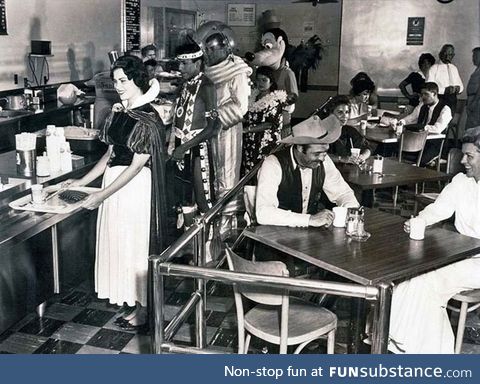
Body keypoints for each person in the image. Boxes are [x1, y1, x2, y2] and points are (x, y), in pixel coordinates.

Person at [61, 55, 168, 330]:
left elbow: (135, 166)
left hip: (134, 189)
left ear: (138, 80)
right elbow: (110, 155)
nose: (118, 86)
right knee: (120, 245)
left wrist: (102, 194)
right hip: (115, 184)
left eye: (123, 80)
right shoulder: (119, 112)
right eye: (116, 81)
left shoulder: (147, 118)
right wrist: (83, 182)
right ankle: (133, 304)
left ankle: (144, 309)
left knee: (135, 246)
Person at [389, 126, 480, 354]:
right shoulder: (462, 182)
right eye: (463, 155)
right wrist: (419, 221)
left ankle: (404, 345)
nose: (463, 162)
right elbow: (438, 210)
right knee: (408, 277)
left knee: (425, 283)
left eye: (470, 156)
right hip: (461, 256)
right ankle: (416, 350)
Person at [197, 23, 252, 241]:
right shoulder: (209, 72)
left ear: (225, 49)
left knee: (227, 175)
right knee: (210, 173)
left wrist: (214, 114)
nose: (208, 54)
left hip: (227, 130)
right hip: (210, 130)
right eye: (207, 50)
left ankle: (227, 225)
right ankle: (213, 220)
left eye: (212, 50)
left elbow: (241, 107)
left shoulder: (237, 71)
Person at [256, 113, 359, 227]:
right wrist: (309, 219)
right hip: (274, 234)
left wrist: (351, 211)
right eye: (316, 154)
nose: (322, 158)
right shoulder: (273, 164)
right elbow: (263, 213)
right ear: (300, 147)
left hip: (309, 235)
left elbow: (343, 193)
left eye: (325, 152)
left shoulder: (324, 160)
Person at [168, 42, 220, 213]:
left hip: (198, 149)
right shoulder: (184, 84)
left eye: (184, 64)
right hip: (179, 147)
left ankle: (210, 238)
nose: (180, 67)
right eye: (179, 63)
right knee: (183, 202)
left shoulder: (207, 86)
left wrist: (184, 147)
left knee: (204, 200)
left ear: (197, 64)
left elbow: (213, 127)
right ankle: (189, 237)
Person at [242, 66, 286, 175]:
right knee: (248, 172)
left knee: (263, 172)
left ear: (271, 82)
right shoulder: (252, 96)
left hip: (265, 143)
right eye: (258, 79)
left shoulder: (274, 100)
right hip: (250, 142)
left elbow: (270, 124)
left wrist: (247, 129)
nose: (260, 83)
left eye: (264, 80)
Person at [399, 82, 452, 166]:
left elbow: (438, 128)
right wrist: (400, 123)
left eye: (426, 94)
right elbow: (411, 118)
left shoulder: (445, 109)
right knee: (395, 150)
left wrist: (421, 128)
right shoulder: (422, 106)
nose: (423, 97)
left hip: (433, 143)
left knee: (418, 162)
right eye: (422, 94)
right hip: (417, 140)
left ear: (434, 94)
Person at [326, 95, 373, 164]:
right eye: (340, 112)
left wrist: (362, 157)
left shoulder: (350, 131)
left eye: (347, 112)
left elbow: (367, 148)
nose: (345, 116)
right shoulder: (323, 132)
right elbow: (319, 155)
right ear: (330, 114)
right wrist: (341, 159)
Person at [426, 44, 464, 113]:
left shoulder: (454, 68)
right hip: (439, 99)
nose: (447, 56)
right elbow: (429, 88)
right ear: (440, 54)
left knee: (449, 120)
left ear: (453, 55)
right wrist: (444, 90)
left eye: (450, 54)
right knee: (438, 121)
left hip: (452, 99)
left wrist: (459, 88)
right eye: (445, 53)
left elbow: (461, 85)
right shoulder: (434, 68)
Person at [466, 47, 480, 129]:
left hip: (477, 101)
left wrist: (474, 102)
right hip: (472, 100)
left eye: (476, 56)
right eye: (473, 56)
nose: (473, 59)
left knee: (474, 128)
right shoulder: (477, 69)